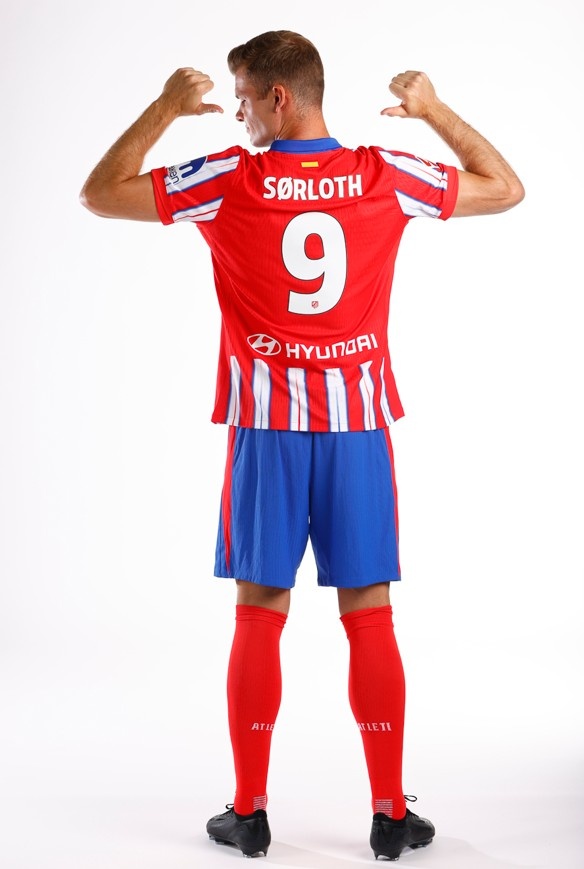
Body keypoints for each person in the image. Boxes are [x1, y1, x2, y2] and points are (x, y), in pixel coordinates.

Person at [80, 30, 524, 861]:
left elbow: (100, 193)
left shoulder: (227, 179)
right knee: (369, 612)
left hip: (268, 433)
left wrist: (165, 110)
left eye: (243, 98)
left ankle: (249, 813)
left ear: (280, 98)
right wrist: (432, 110)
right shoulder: (384, 174)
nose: (237, 113)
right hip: (357, 433)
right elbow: (506, 188)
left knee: (259, 608)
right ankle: (389, 814)